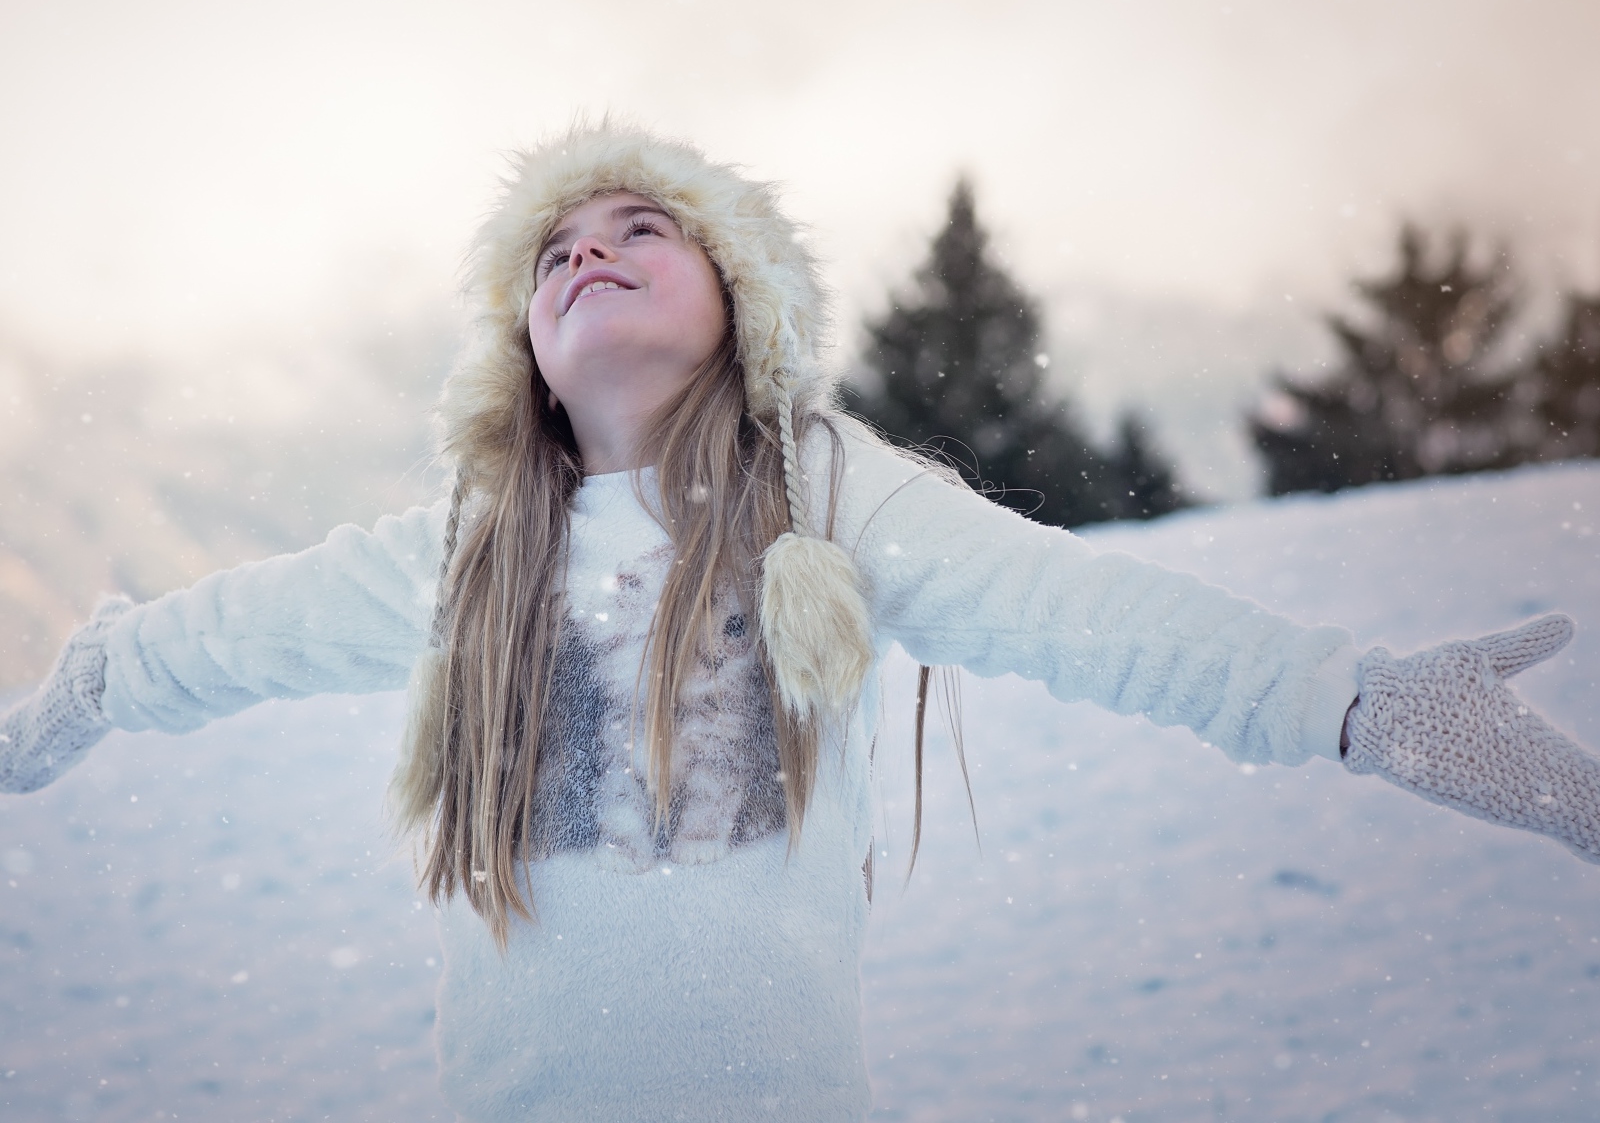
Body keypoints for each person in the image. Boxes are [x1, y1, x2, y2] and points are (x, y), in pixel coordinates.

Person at [2, 123, 1597, 1122]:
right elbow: (226, 634)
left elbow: (1078, 610)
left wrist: (1357, 700)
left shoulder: (823, 494)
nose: (589, 254)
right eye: (554, 253)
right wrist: (87, 687)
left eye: (639, 229)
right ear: (523, 354)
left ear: (740, 299)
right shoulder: (469, 557)